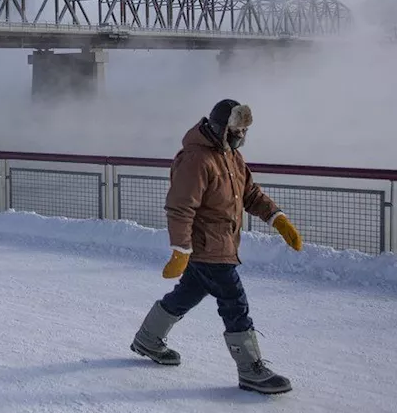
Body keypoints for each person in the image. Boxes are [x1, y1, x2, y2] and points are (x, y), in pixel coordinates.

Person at [129, 98, 303, 395]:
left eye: (246, 130)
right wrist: (180, 251)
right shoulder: (196, 160)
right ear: (222, 128)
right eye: (238, 130)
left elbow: (250, 193)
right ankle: (250, 370)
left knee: (187, 293)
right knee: (234, 301)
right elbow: (180, 208)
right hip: (208, 247)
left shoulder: (231, 156)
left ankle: (148, 338)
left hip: (221, 242)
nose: (242, 136)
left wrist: (277, 218)